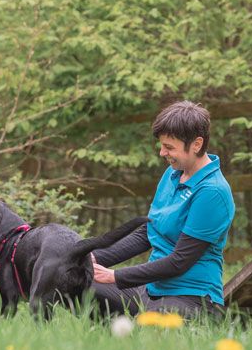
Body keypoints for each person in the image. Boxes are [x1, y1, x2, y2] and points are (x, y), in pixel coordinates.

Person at [91, 101, 235, 322]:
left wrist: (115, 276)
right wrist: (92, 258)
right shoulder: (171, 175)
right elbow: (147, 233)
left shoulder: (212, 192)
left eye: (169, 147)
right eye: (162, 146)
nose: (162, 152)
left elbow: (179, 261)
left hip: (192, 298)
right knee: (80, 283)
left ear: (196, 144)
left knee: (149, 327)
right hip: (151, 291)